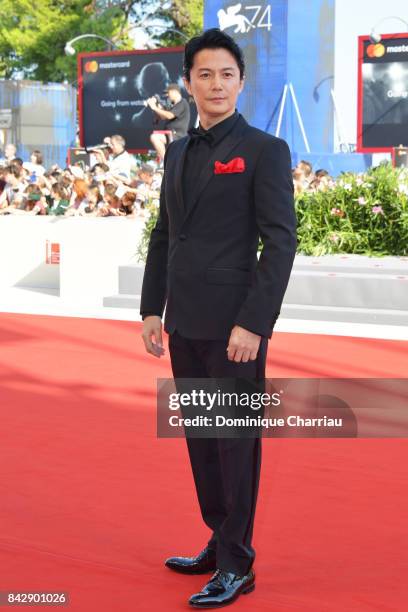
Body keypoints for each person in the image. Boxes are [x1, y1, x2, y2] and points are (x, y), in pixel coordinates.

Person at [140, 28, 297, 609]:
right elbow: (164, 235)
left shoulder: (264, 150)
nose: (215, 84)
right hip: (183, 324)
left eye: (226, 74)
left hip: (236, 330)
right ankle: (217, 537)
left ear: (241, 82)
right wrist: (151, 308)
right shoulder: (178, 151)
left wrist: (254, 323)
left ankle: (238, 563)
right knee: (202, 440)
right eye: (203, 74)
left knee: (236, 442)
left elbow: (279, 245)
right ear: (188, 82)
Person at [148, 84, 191, 161]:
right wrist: (155, 104)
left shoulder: (182, 102)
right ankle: (167, 162)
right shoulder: (172, 105)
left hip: (178, 135)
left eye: (168, 92)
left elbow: (169, 115)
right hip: (170, 135)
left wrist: (154, 107)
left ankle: (167, 162)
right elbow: (162, 116)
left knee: (155, 137)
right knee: (155, 137)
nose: (167, 95)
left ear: (175, 92)